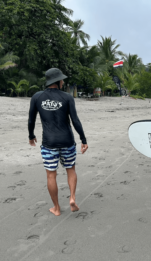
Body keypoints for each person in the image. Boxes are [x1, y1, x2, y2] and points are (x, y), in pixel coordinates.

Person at [28, 68, 88, 216]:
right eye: (62, 79)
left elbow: (31, 119)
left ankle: (56, 208)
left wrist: (31, 135)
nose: (63, 81)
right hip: (67, 141)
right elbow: (75, 121)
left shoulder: (37, 97)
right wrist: (83, 139)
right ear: (58, 81)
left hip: (49, 143)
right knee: (71, 170)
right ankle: (72, 198)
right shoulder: (67, 97)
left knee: (51, 175)